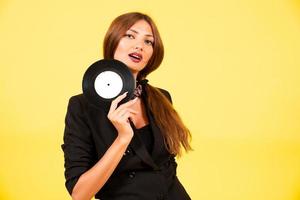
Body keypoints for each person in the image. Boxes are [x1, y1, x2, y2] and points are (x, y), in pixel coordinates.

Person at [61, 12, 192, 200]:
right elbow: (80, 194)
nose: (139, 45)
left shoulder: (162, 97)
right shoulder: (81, 107)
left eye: (148, 42)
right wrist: (123, 138)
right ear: (113, 41)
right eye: (130, 35)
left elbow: (167, 166)